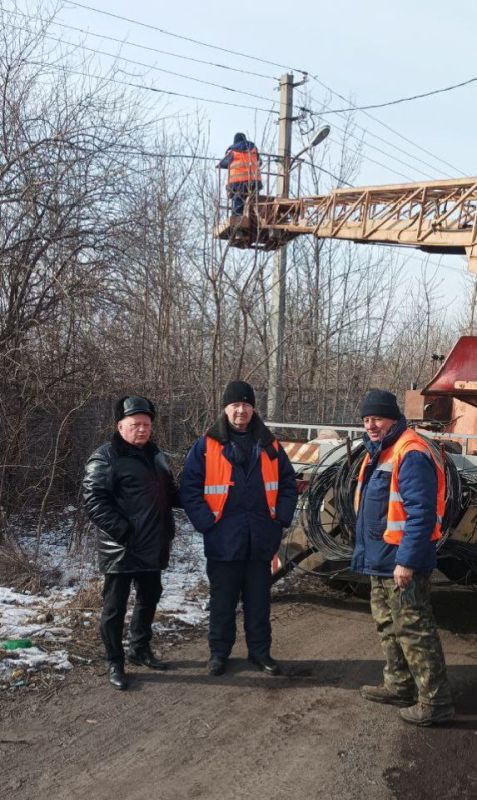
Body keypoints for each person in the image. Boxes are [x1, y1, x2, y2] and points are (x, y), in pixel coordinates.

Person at [181, 380, 298, 676]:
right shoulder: (207, 446)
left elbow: (288, 484)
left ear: (253, 408)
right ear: (225, 408)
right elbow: (189, 488)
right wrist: (206, 522)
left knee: (259, 603)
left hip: (260, 538)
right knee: (222, 602)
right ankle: (218, 654)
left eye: (246, 405)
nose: (241, 410)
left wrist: (280, 519)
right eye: (235, 405)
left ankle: (260, 653)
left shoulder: (270, 445)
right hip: (224, 540)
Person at [352, 388, 454, 726]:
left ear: (393, 418)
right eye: (367, 419)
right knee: (388, 626)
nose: (371, 425)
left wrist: (407, 561)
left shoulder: (410, 452)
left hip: (401, 563)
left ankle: (435, 702)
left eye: (377, 418)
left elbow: (421, 514)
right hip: (381, 561)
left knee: (415, 630)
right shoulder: (381, 452)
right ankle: (399, 685)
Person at [83, 396, 180, 691]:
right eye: (135, 424)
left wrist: (200, 497)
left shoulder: (157, 456)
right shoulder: (106, 457)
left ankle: (140, 648)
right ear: (120, 426)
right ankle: (115, 661)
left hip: (154, 544)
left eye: (146, 424)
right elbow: (94, 500)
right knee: (114, 608)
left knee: (150, 597)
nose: (142, 429)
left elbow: (171, 493)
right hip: (122, 548)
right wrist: (124, 532)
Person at [217, 132, 262, 216]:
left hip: (238, 182)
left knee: (238, 200)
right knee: (253, 200)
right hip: (254, 182)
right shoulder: (253, 149)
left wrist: (219, 165)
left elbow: (224, 163)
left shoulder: (232, 151)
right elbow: (260, 162)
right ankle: (254, 214)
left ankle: (237, 217)